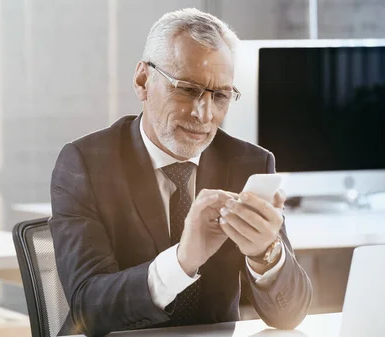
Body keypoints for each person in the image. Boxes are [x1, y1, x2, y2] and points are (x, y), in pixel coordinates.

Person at [49, 8, 312, 337]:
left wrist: (266, 254)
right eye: (187, 90)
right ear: (143, 81)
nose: (204, 115)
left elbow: (289, 317)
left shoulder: (249, 164)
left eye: (220, 96)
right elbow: (89, 308)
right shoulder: (86, 163)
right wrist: (182, 260)